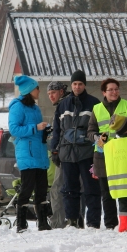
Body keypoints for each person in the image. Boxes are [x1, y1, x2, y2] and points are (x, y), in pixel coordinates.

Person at [87, 78, 127, 229]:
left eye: (116, 89)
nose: (114, 92)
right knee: (107, 192)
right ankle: (111, 223)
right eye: (110, 90)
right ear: (103, 92)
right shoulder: (97, 109)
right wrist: (96, 138)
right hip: (103, 155)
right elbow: (90, 131)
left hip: (124, 155)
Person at [50, 70, 102, 229]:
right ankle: (72, 221)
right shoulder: (63, 105)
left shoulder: (95, 103)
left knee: (91, 189)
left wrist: (98, 151)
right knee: (68, 190)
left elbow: (100, 130)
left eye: (80, 83)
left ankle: (93, 222)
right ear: (71, 85)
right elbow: (57, 130)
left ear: (84, 85)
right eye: (74, 84)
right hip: (67, 153)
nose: (77, 86)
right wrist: (54, 150)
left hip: (87, 153)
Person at [9, 75, 52, 232]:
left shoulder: (35, 107)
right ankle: (21, 223)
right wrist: (36, 128)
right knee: (27, 188)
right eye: (37, 88)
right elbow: (14, 129)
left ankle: (43, 222)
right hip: (27, 154)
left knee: (42, 189)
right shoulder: (17, 106)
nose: (39, 91)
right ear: (29, 90)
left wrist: (45, 131)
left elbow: (36, 130)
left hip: (39, 153)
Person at [46, 81, 71, 228]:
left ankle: (58, 223)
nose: (51, 96)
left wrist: (55, 149)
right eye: (49, 94)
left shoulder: (64, 106)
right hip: (64, 152)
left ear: (61, 92)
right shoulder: (63, 106)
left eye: (53, 93)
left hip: (65, 153)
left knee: (57, 188)